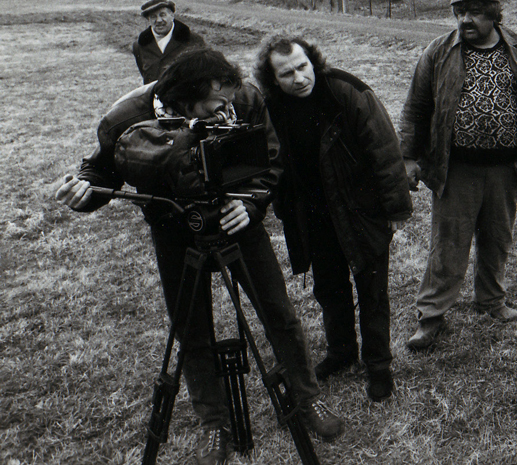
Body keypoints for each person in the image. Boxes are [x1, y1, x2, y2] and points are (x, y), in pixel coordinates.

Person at [54, 48, 345, 465]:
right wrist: (83, 188)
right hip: (175, 230)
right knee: (191, 328)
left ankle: (306, 398)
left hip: (237, 222)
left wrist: (251, 204)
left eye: (230, 99)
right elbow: (102, 170)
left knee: (278, 312)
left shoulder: (244, 98)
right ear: (182, 101)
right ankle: (214, 423)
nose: (229, 107)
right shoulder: (126, 118)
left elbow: (271, 160)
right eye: (217, 105)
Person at [253, 35, 412, 402]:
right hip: (314, 217)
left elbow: (385, 150)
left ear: (314, 61)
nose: (298, 78)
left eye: (302, 66)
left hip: (361, 211)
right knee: (330, 289)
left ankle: (379, 366)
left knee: (372, 292)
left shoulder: (346, 91)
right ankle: (341, 354)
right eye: (286, 73)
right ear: (273, 79)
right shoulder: (271, 107)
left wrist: (396, 209)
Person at [400, 0, 517, 351]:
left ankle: (492, 302)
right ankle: (431, 317)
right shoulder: (438, 52)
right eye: (460, 12)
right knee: (448, 244)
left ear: (495, 14)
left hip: (505, 168)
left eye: (476, 12)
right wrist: (407, 158)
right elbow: (415, 109)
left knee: (497, 240)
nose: (466, 20)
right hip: (457, 167)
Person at [132, 0, 206, 84]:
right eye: (153, 17)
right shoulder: (140, 45)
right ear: (148, 19)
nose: (158, 20)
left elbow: (203, 74)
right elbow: (145, 74)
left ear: (172, 15)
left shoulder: (193, 40)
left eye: (162, 15)